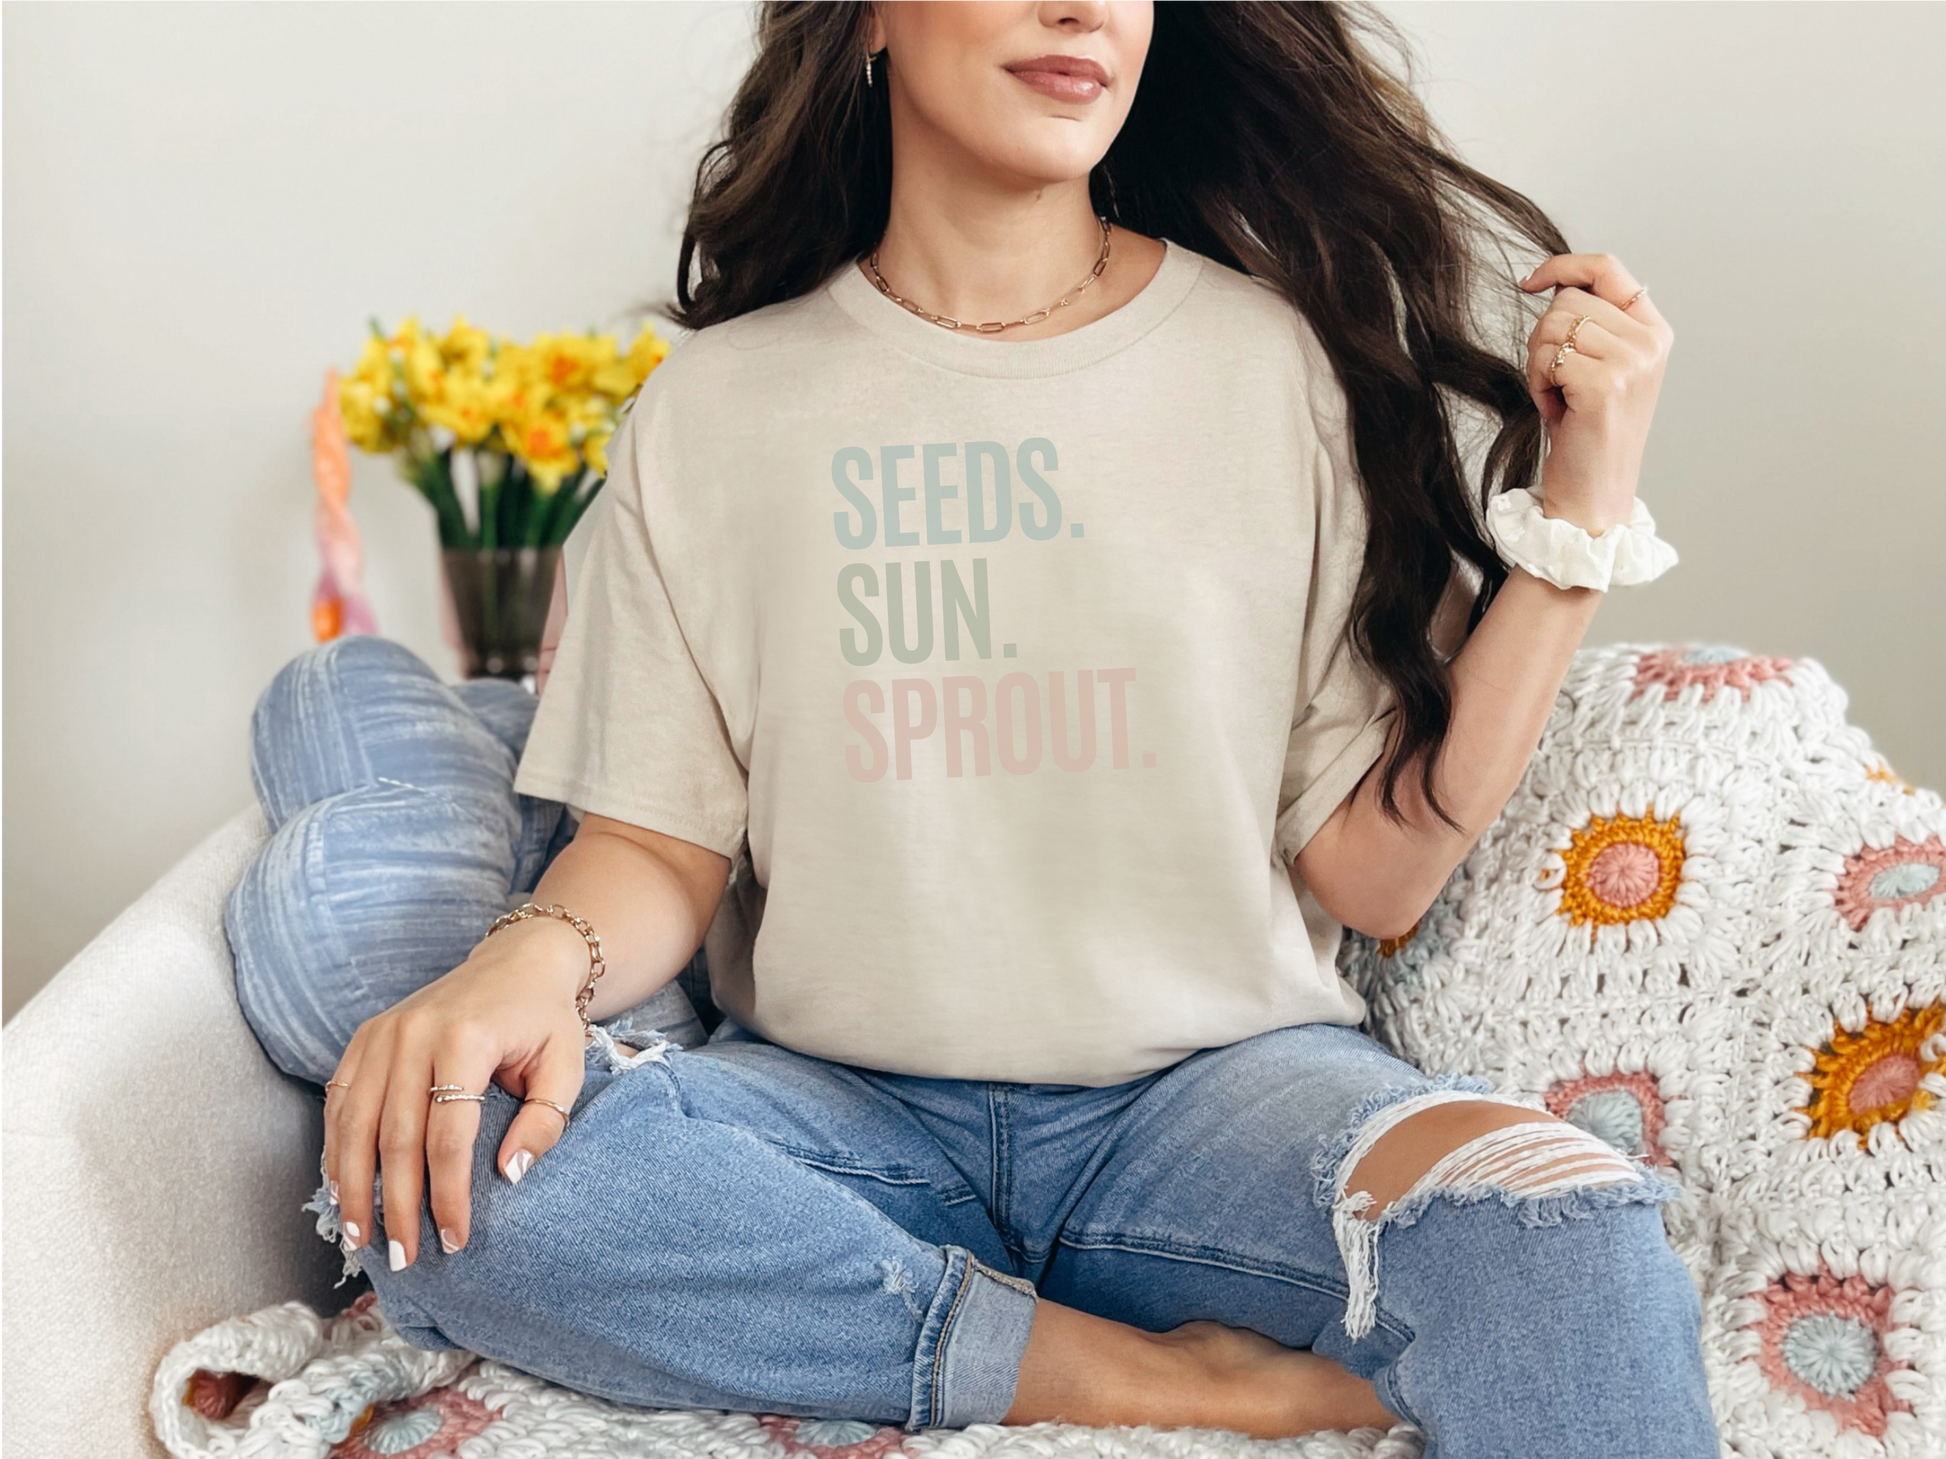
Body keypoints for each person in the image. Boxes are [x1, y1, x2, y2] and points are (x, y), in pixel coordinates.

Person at [229, 1, 1717, 1453]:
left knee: (1559, 1226)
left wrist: (1576, 517)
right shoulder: (715, 412)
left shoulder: (1271, 366)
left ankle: (988, 1342)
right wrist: (519, 963)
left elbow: (1376, 872)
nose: (1080, 8)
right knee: (447, 1175)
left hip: (1218, 1108)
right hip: (840, 1126)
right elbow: (659, 844)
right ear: (864, 21)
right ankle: (1140, 1379)